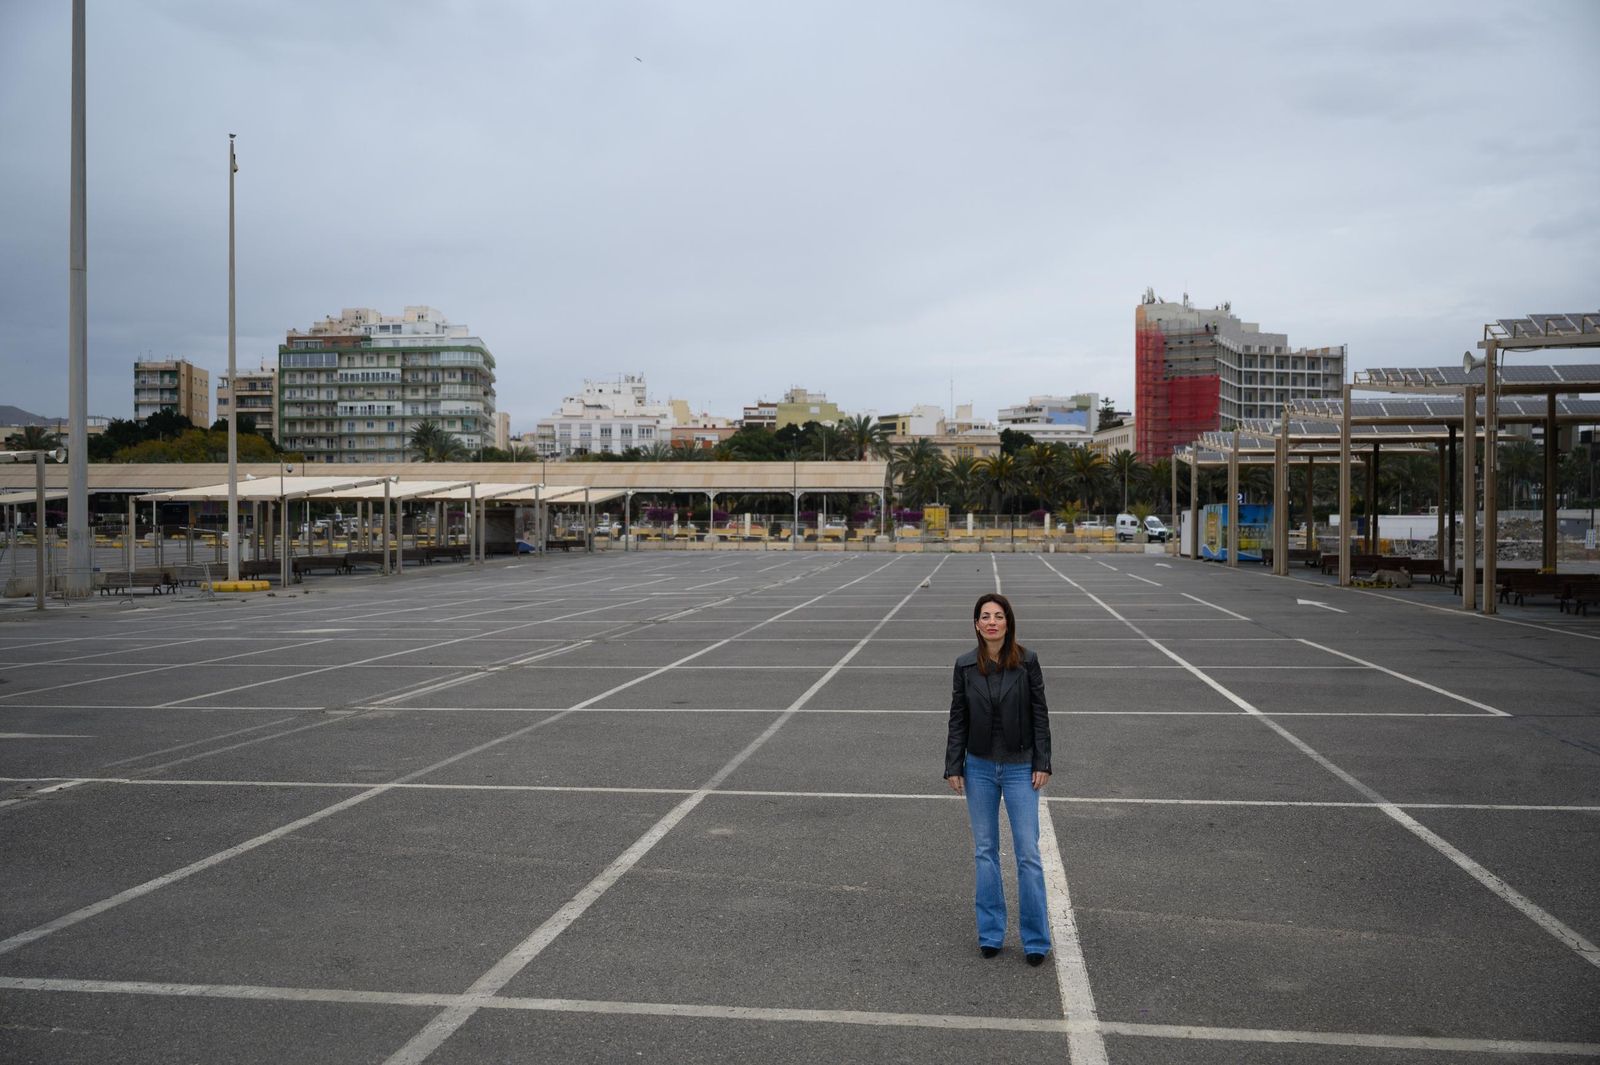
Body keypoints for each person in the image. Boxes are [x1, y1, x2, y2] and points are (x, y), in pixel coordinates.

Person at [944, 592, 1053, 965]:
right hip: (979, 768)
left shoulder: (1027, 662)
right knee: (985, 852)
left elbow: (1040, 714)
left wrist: (1043, 761)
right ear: (977, 625)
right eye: (985, 616)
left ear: (1008, 623)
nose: (992, 622)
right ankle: (991, 933)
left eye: (998, 616)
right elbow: (957, 718)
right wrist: (953, 765)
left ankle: (1036, 940)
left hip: (1022, 767)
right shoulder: (964, 666)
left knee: (1028, 853)